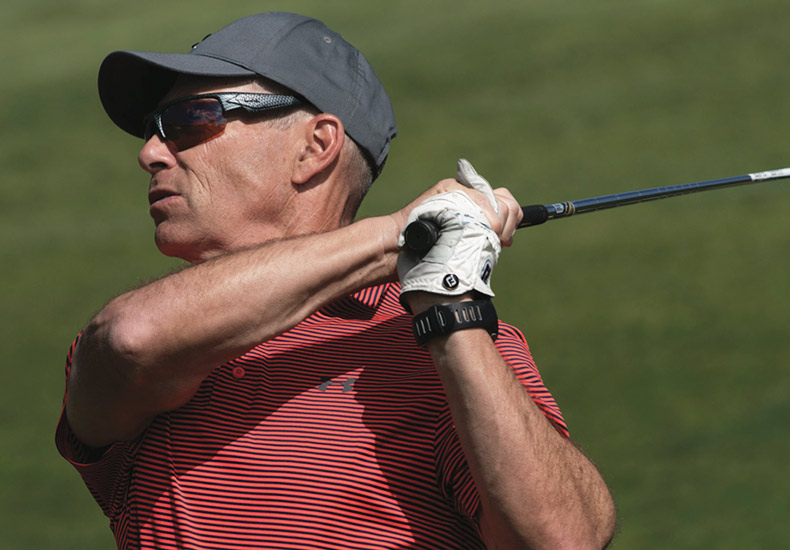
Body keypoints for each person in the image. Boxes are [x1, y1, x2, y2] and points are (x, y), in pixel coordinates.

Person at [56, 12, 615, 549]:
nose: (149, 153)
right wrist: (398, 238)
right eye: (156, 131)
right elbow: (134, 338)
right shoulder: (163, 333)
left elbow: (565, 538)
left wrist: (450, 305)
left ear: (315, 146)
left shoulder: (445, 335)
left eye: (188, 122)